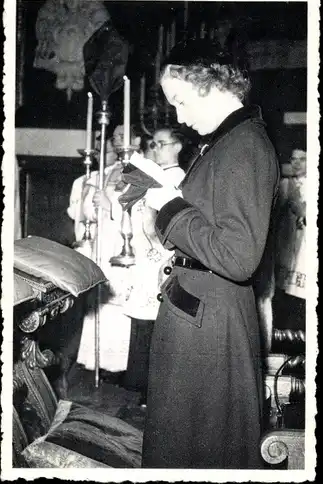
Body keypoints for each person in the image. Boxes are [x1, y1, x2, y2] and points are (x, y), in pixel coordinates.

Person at [132, 39, 280, 468]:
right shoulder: (226, 142)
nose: (178, 116)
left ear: (206, 82)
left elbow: (237, 256)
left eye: (179, 101)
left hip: (210, 324)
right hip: (198, 312)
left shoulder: (244, 146)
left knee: (201, 448)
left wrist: (171, 206)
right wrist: (164, 212)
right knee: (186, 442)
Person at [67, 124, 140, 376]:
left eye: (124, 136)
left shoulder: (141, 169)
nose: (118, 141)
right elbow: (84, 211)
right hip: (103, 241)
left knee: (119, 300)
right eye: (116, 137)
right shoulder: (107, 171)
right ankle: (96, 360)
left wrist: (111, 207)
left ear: (138, 139)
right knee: (100, 301)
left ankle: (119, 365)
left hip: (124, 243)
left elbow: (141, 212)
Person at [122, 127, 185, 405]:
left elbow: (163, 223)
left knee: (157, 326)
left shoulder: (180, 178)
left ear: (178, 146)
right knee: (144, 325)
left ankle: (156, 393)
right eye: (154, 144)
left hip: (161, 258)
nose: (156, 149)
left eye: (162, 144)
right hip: (144, 258)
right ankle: (143, 389)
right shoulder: (152, 177)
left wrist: (150, 225)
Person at [274, 148, 306, 331]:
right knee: (282, 294)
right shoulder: (284, 185)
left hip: (304, 250)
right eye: (293, 159)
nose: (297, 163)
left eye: (302, 159)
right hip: (285, 244)